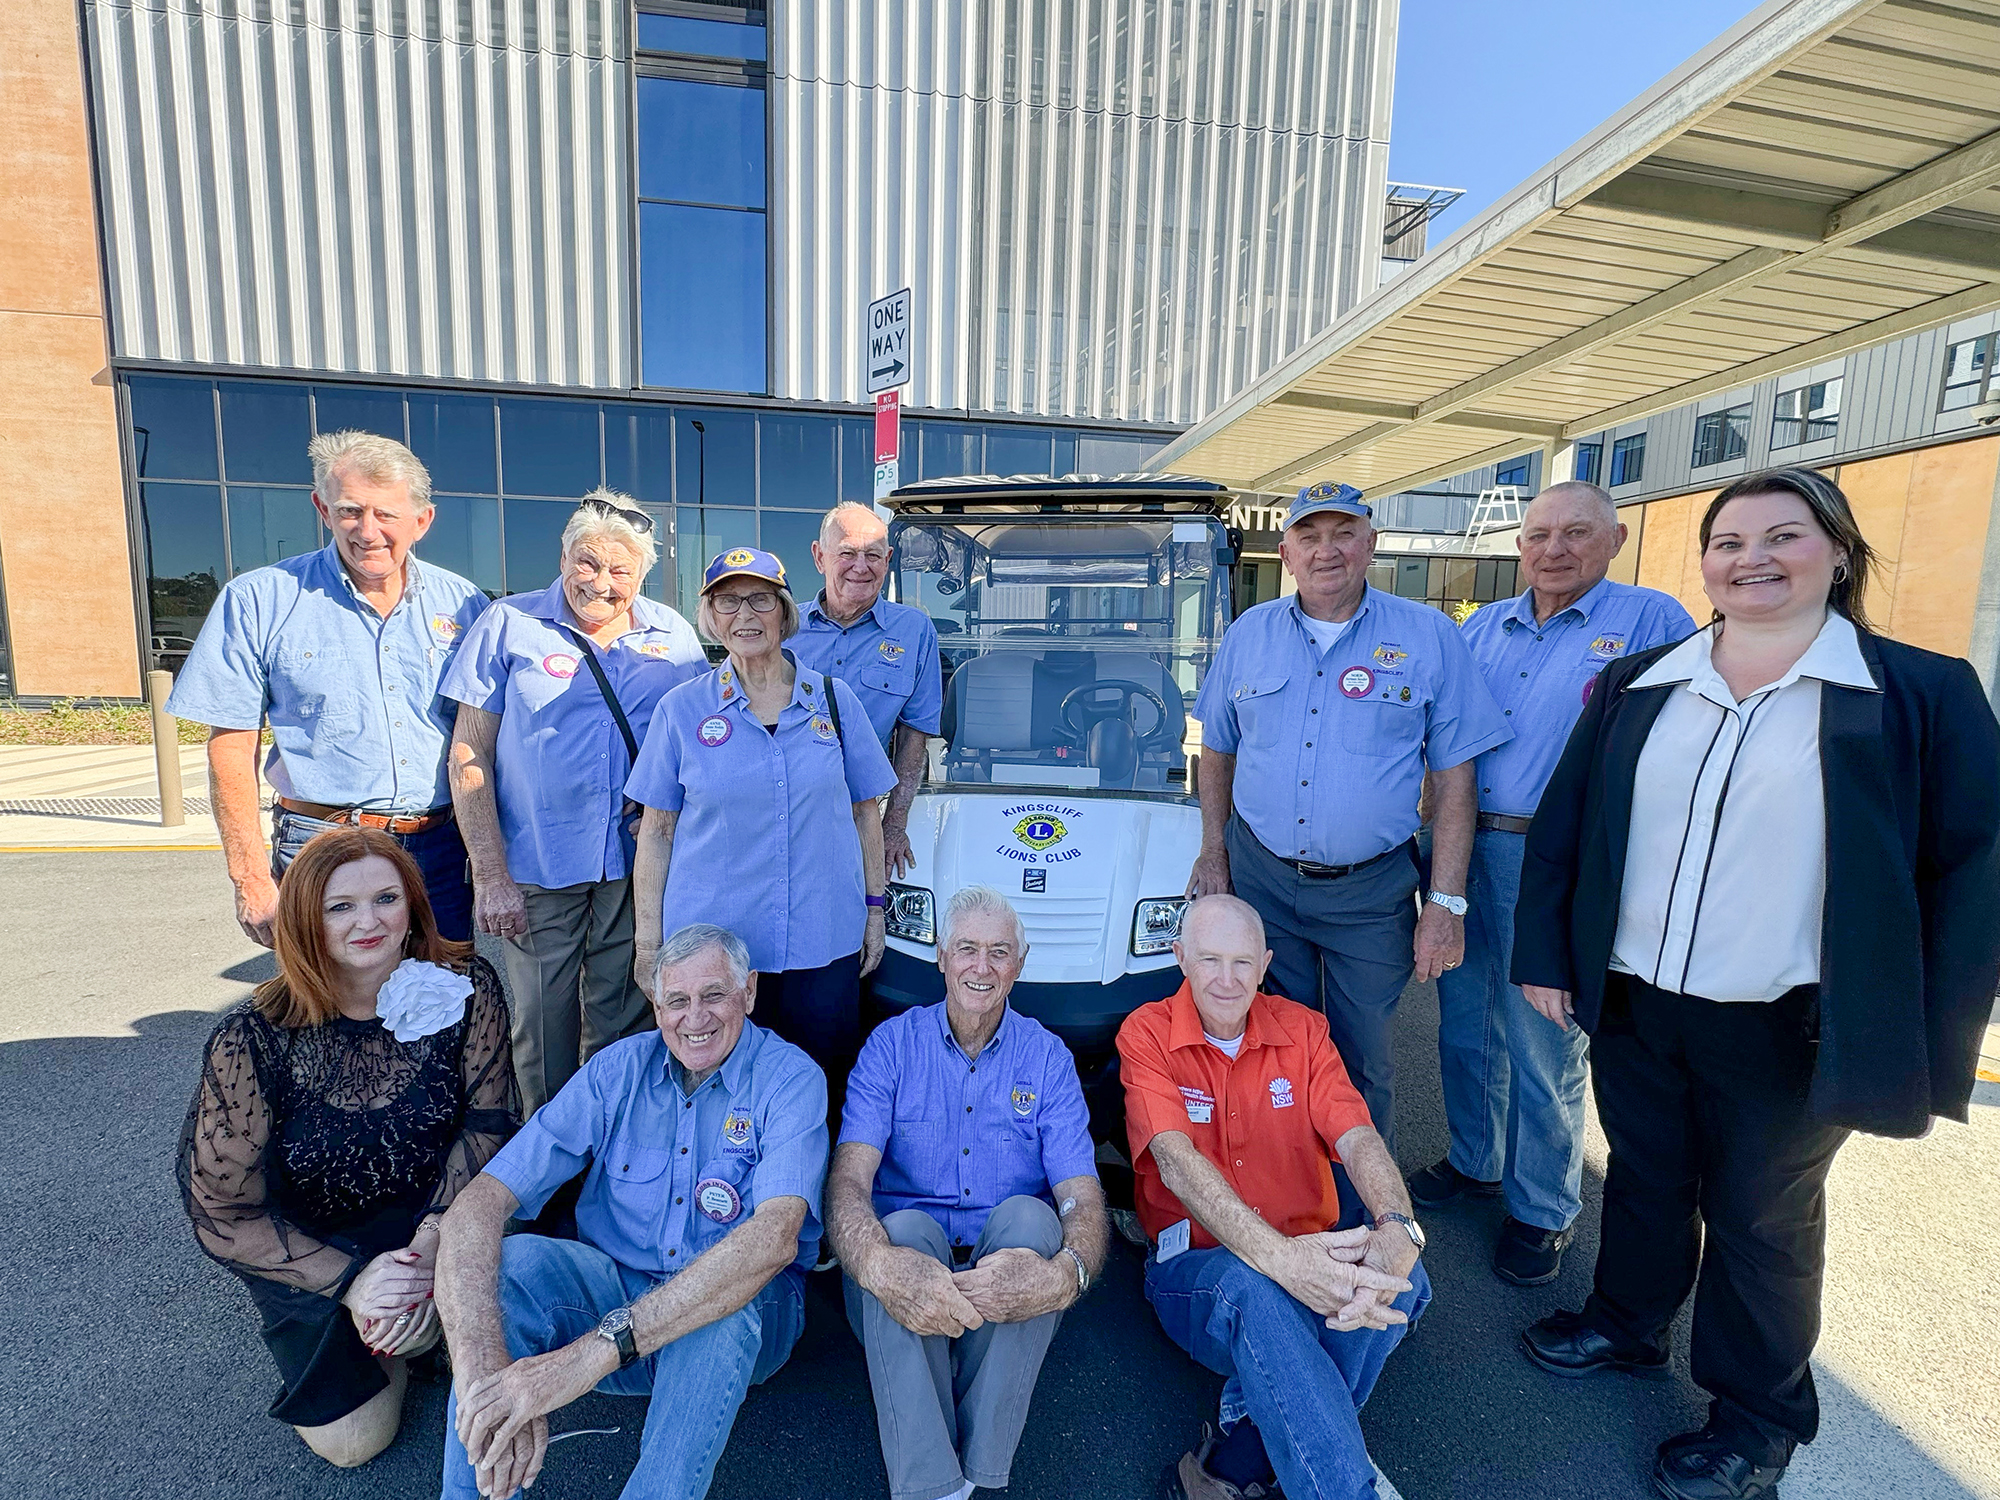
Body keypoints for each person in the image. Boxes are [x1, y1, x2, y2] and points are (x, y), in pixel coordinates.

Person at [1512, 466, 2000, 1500]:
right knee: (1644, 1179)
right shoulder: (1637, 684)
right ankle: (1625, 1323)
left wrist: (1922, 1031)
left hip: (1790, 1019)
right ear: (1703, 565)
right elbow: (1566, 833)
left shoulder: (1914, 692)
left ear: (1835, 551)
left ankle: (1754, 1422)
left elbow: (1972, 873)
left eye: (1782, 537)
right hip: (1640, 1001)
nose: (1752, 560)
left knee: (1758, 1219)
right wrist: (1546, 960)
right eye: (1729, 543)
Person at [1411, 480, 1695, 1286]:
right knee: (1464, 1020)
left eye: (1576, 533)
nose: (1554, 549)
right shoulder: (1483, 630)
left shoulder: (1653, 623)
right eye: (1538, 535)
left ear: (1617, 539)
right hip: (1464, 847)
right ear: (1519, 546)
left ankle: (1542, 1209)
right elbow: (1445, 744)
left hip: (1559, 857)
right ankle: (1475, 1161)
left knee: (1542, 1037)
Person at [434, 923, 829, 1500]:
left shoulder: (791, 1079)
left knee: (719, 1304)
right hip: (617, 1288)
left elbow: (772, 1241)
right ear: (656, 1004)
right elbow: (480, 1203)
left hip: (744, 1316)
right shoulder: (618, 1070)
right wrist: (482, 1375)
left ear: (749, 991)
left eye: (714, 995)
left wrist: (584, 1359)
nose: (695, 1018)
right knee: (512, 1263)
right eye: (677, 1000)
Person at [1186, 480, 1510, 1152]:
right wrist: (1213, 853)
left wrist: (1445, 903)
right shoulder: (1250, 634)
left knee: (1361, 1057)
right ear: (1286, 552)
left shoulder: (1428, 637)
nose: (1325, 550)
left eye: (1343, 534)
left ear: (1370, 544)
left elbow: (1456, 779)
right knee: (1269, 1041)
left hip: (1371, 893)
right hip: (1263, 880)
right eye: (1310, 536)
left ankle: (1363, 1215)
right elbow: (1215, 751)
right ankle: (1283, 1196)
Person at [178, 827, 517, 1467]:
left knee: (454, 1320)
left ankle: (420, 1328)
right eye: (341, 907)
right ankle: (400, 1332)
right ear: (308, 918)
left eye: (387, 899)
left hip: (430, 1215)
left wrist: (429, 1247)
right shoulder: (251, 1040)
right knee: (354, 1445)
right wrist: (356, 1284)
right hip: (315, 1242)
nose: (370, 922)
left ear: (413, 905)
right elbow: (223, 1212)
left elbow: (488, 1123)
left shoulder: (466, 988)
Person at [1118, 894, 1429, 1500]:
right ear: (1180, 958)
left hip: (1308, 1250)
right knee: (1257, 1290)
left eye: (1242, 963)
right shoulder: (1146, 1033)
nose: (1227, 980)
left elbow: (1359, 1136)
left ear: (1265, 964)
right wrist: (1283, 1263)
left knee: (1405, 1278)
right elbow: (1176, 1164)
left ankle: (1239, 1457)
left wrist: (1397, 1226)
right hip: (1197, 1268)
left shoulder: (1305, 1031)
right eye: (1209, 960)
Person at [827, 886, 1109, 1500]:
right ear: (941, 956)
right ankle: (934, 1489)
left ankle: (981, 1476)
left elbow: (1083, 1200)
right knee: (898, 1233)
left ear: (1020, 964)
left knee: (1035, 1225)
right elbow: (849, 1181)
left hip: (1001, 1273)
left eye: (999, 953)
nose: (982, 968)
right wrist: (876, 1264)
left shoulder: (1048, 1059)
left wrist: (1066, 1277)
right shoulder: (891, 1047)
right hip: (907, 1272)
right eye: (968, 950)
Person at [442, 489, 706, 1115]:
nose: (602, 582)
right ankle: (545, 1163)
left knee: (624, 1016)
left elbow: (698, 744)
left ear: (643, 573)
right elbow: (468, 753)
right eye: (587, 563)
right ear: (563, 557)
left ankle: (612, 1144)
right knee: (542, 1025)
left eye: (621, 570)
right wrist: (491, 873)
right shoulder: (508, 624)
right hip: (537, 866)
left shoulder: (672, 634)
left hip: (634, 869)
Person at [169, 430, 488, 944]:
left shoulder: (465, 605)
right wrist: (249, 876)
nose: (368, 531)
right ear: (322, 509)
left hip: (441, 849)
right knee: (326, 1011)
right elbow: (231, 746)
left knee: (442, 1004)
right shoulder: (259, 600)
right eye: (350, 511)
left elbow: (482, 738)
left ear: (422, 521)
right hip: (320, 845)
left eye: (386, 514)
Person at [628, 547, 898, 1107]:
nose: (744, 615)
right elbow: (655, 834)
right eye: (727, 602)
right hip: (715, 957)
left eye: (759, 600)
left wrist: (875, 911)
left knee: (821, 1088)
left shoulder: (834, 701)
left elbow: (865, 813)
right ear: (709, 617)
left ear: (783, 612)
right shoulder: (681, 711)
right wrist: (647, 944)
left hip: (822, 945)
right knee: (717, 1094)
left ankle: (809, 1193)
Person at [788, 501, 942, 878]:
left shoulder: (915, 631)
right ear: (819, 557)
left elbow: (914, 736)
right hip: (786, 806)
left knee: (861, 917)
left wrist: (894, 825)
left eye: (872, 555)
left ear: (887, 559)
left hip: (864, 811)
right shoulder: (783, 628)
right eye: (847, 553)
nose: (861, 566)